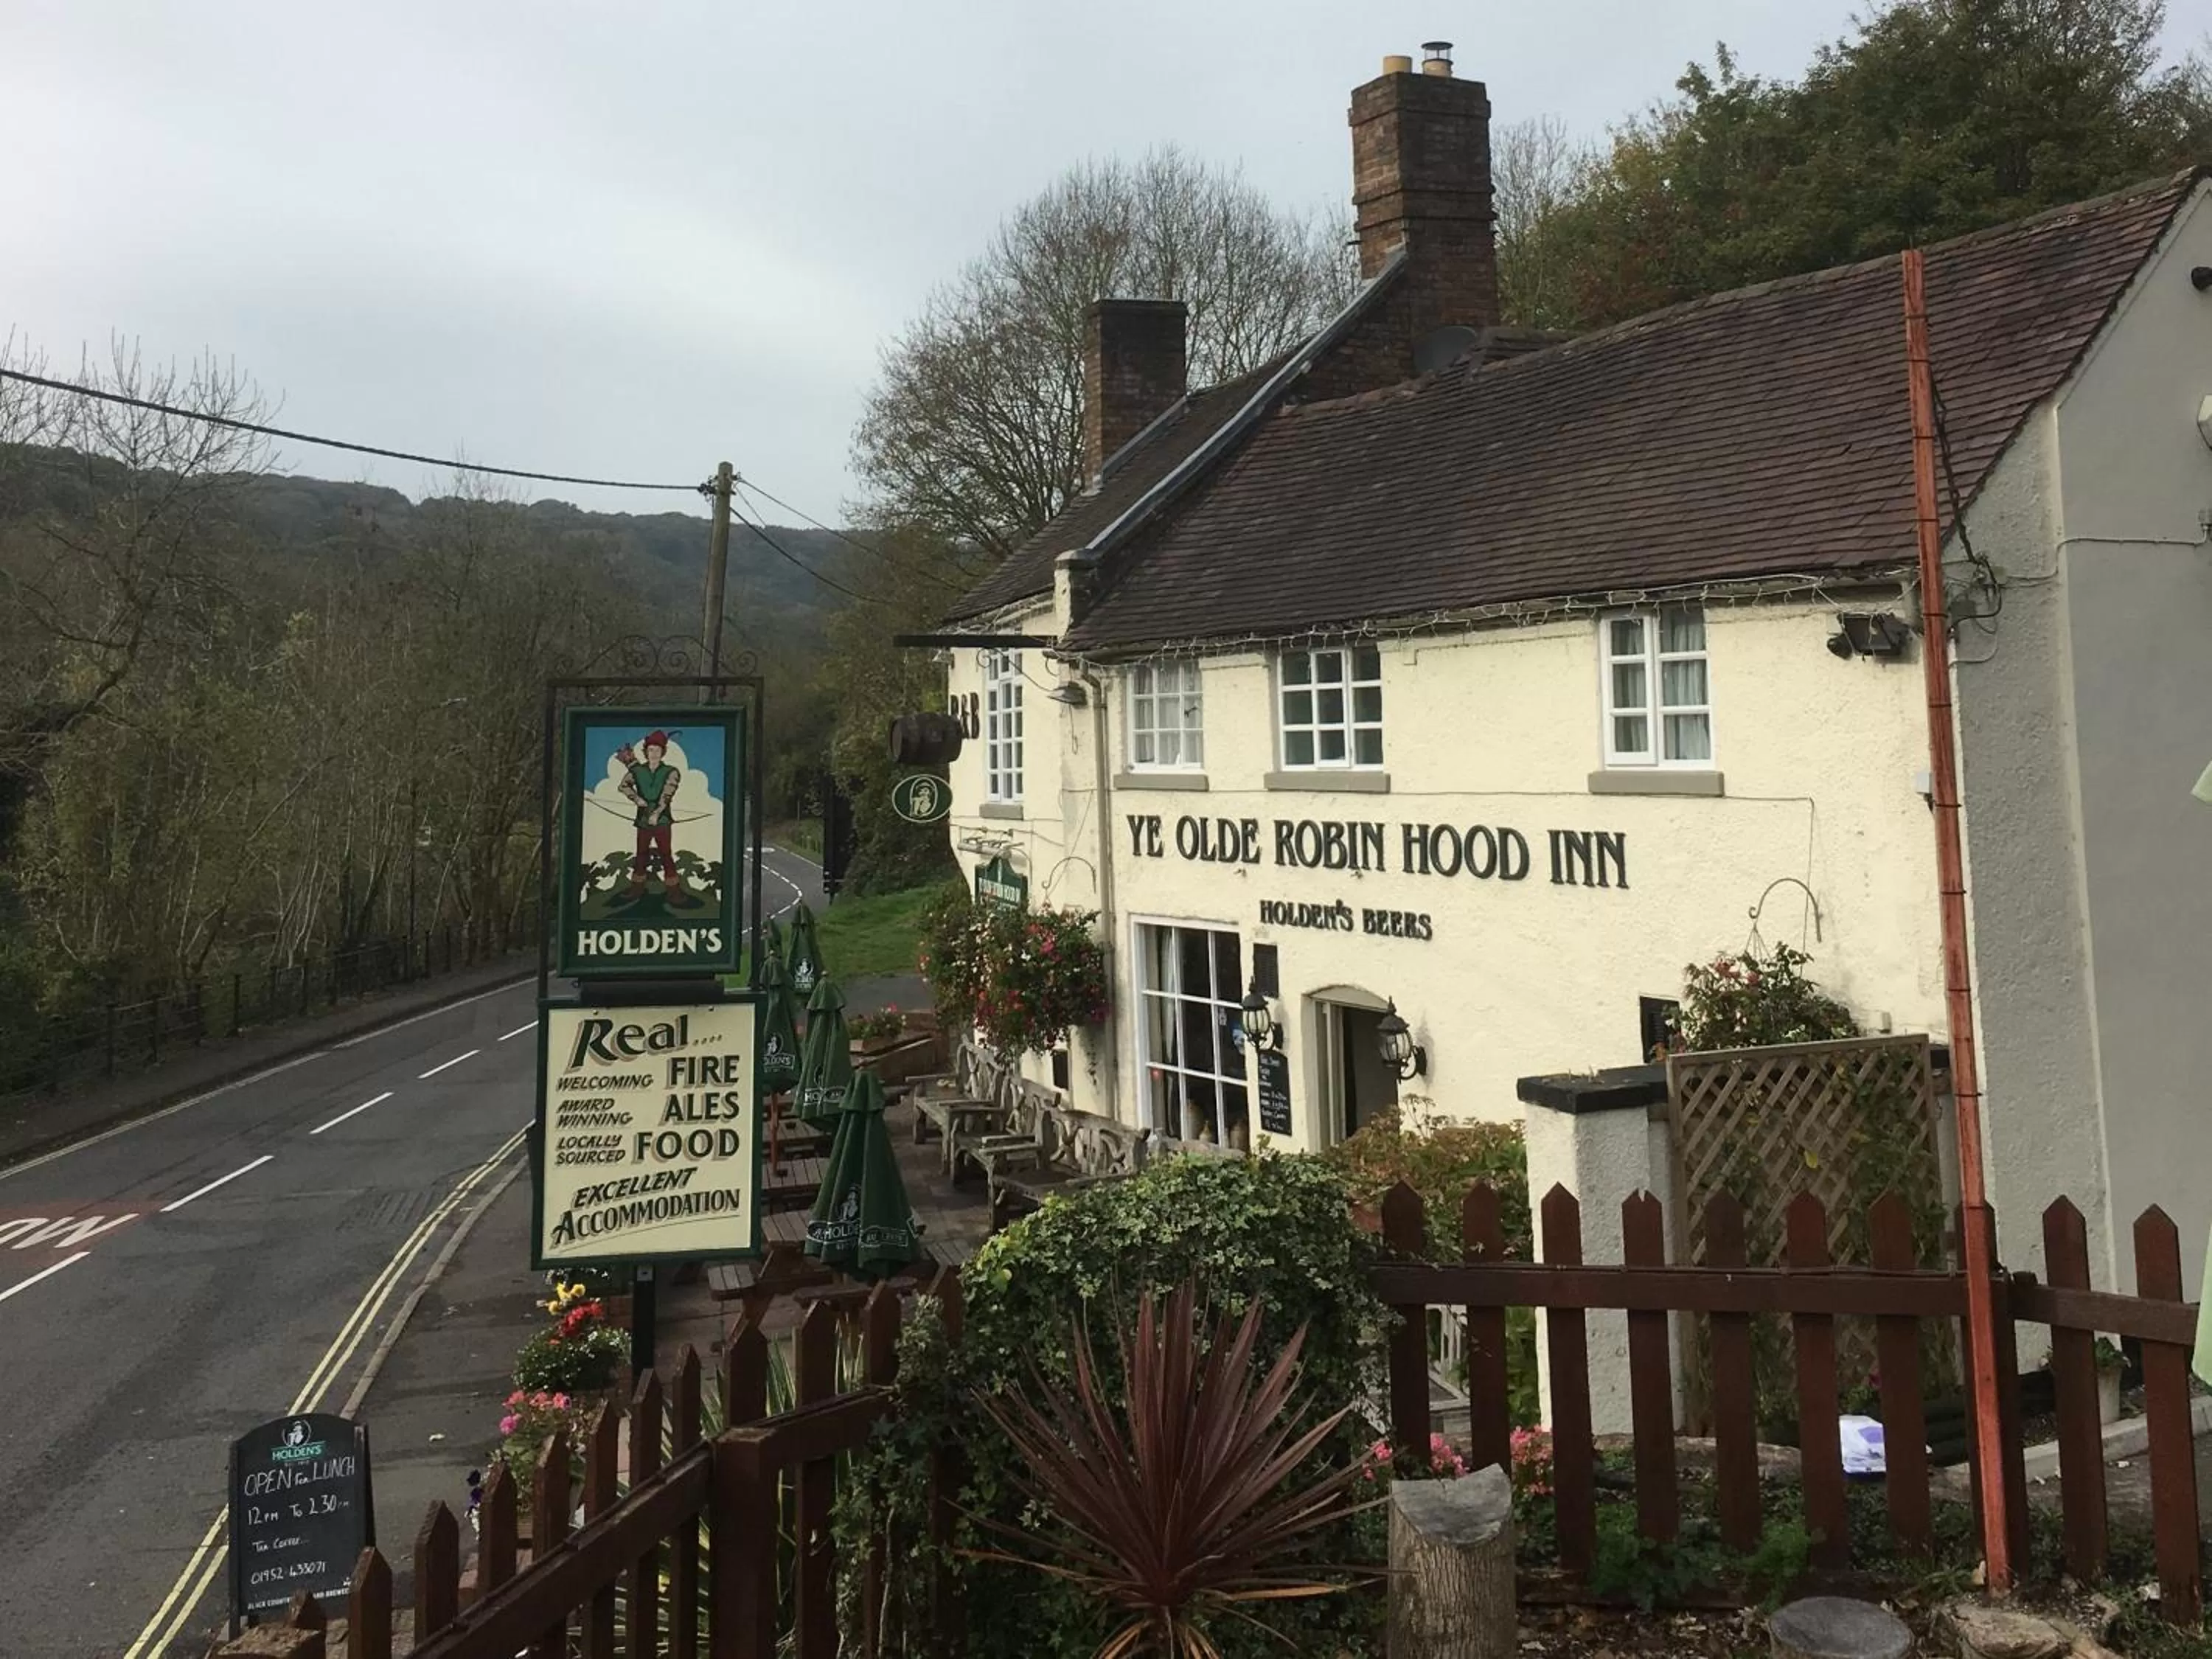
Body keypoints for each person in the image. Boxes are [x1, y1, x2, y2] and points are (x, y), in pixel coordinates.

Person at [616, 731, 699, 907]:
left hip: (661, 821)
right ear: (646, 752)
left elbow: (667, 795)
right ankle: (637, 889)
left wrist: (657, 813)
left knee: (666, 855)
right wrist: (636, 799)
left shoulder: (671, 772)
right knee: (641, 855)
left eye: (658, 750)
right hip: (643, 820)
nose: (654, 753)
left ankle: (674, 892)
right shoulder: (637, 771)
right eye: (651, 750)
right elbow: (623, 786)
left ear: (663, 752)